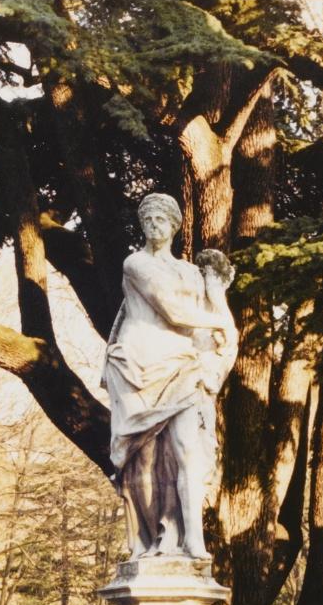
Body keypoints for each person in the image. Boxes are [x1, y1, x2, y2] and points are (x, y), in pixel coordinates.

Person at [102, 193, 238, 559]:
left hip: (181, 366)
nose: (153, 226)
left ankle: (192, 537)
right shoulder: (136, 264)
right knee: (143, 460)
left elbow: (208, 328)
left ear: (174, 226)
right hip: (138, 368)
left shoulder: (189, 272)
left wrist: (215, 292)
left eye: (161, 220)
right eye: (147, 220)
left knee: (188, 451)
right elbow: (174, 310)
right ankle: (150, 539)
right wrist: (220, 321)